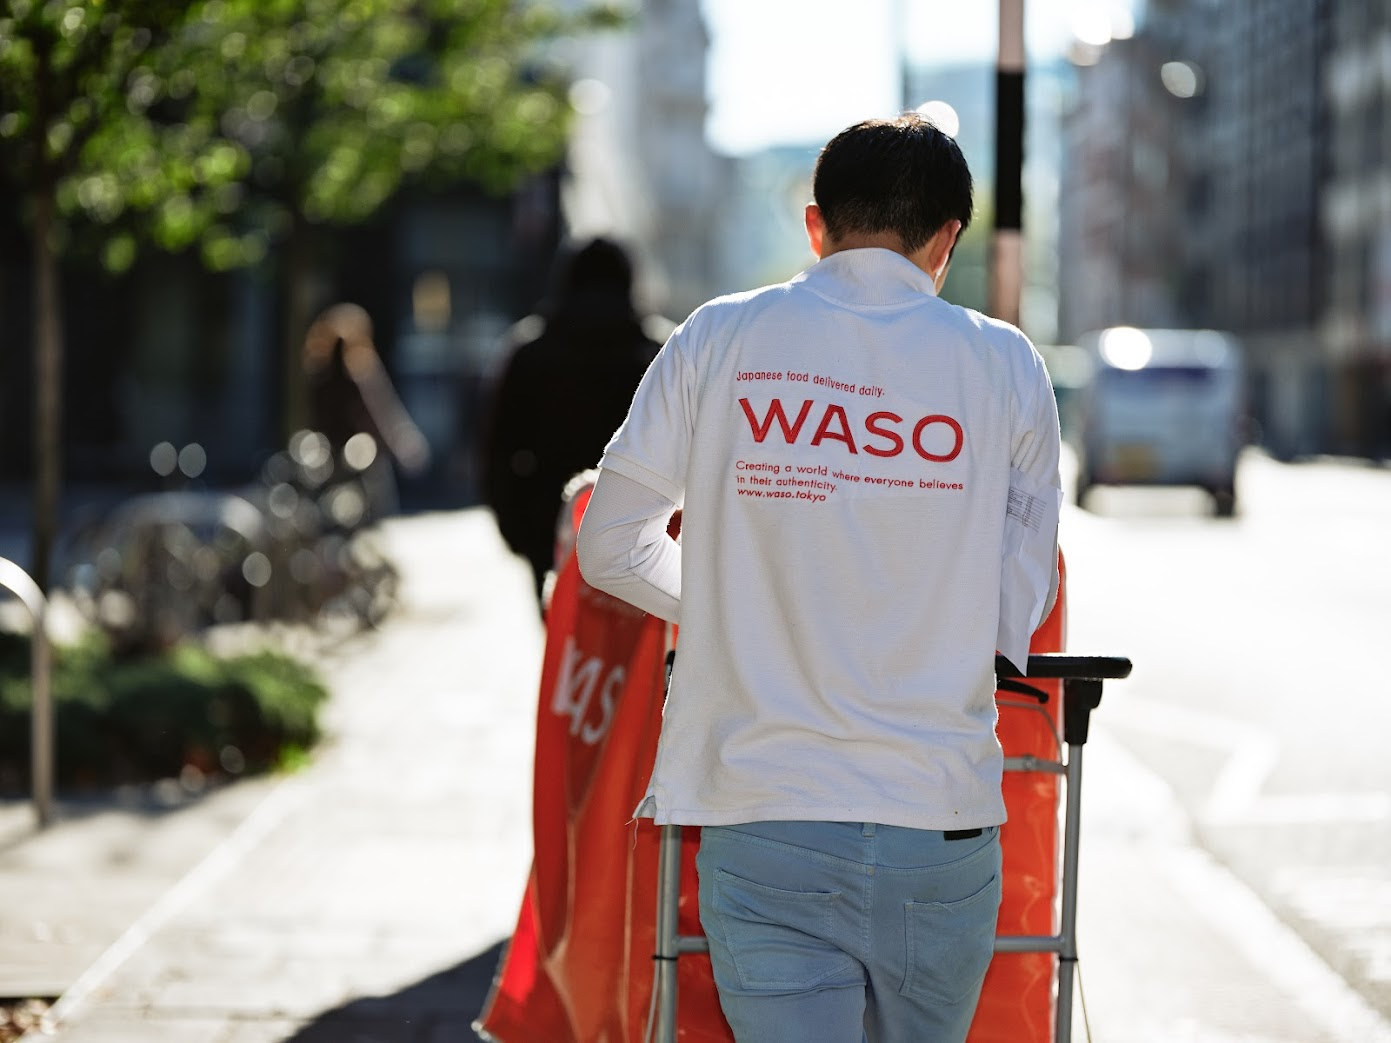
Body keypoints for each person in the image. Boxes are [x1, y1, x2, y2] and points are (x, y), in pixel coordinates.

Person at [575, 114, 1062, 1043]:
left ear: (815, 226)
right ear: (946, 240)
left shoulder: (718, 337)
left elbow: (611, 543)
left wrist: (745, 608)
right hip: (938, 817)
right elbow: (1015, 605)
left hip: (765, 812)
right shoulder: (1004, 365)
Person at [480, 237, 664, 610]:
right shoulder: (658, 352)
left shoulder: (529, 353)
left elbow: (497, 450)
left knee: (566, 649)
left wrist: (519, 532)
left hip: (551, 529)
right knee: (638, 660)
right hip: (639, 534)